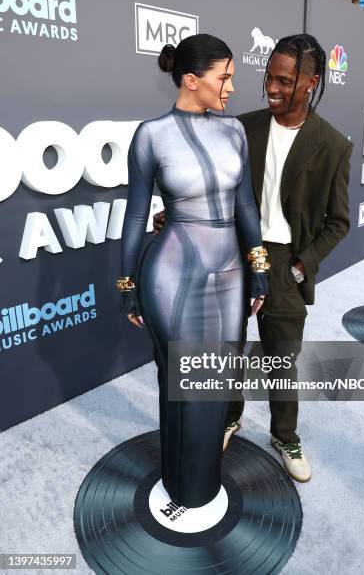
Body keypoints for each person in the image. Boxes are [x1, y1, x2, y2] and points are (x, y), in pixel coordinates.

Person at [155, 33, 352, 484]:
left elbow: (338, 222)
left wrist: (300, 266)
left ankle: (285, 435)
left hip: (284, 264)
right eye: (268, 77)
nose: (272, 88)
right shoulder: (241, 126)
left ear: (311, 83)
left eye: (285, 80)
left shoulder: (332, 145)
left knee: (281, 359)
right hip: (232, 250)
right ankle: (229, 417)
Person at [116, 34, 268, 509]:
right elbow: (135, 218)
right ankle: (178, 483)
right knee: (176, 380)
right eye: (223, 78)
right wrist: (127, 286)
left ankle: (199, 485)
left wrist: (258, 266)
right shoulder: (151, 135)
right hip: (170, 275)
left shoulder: (234, 132)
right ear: (191, 80)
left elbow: (245, 204)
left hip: (228, 274)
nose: (230, 88)